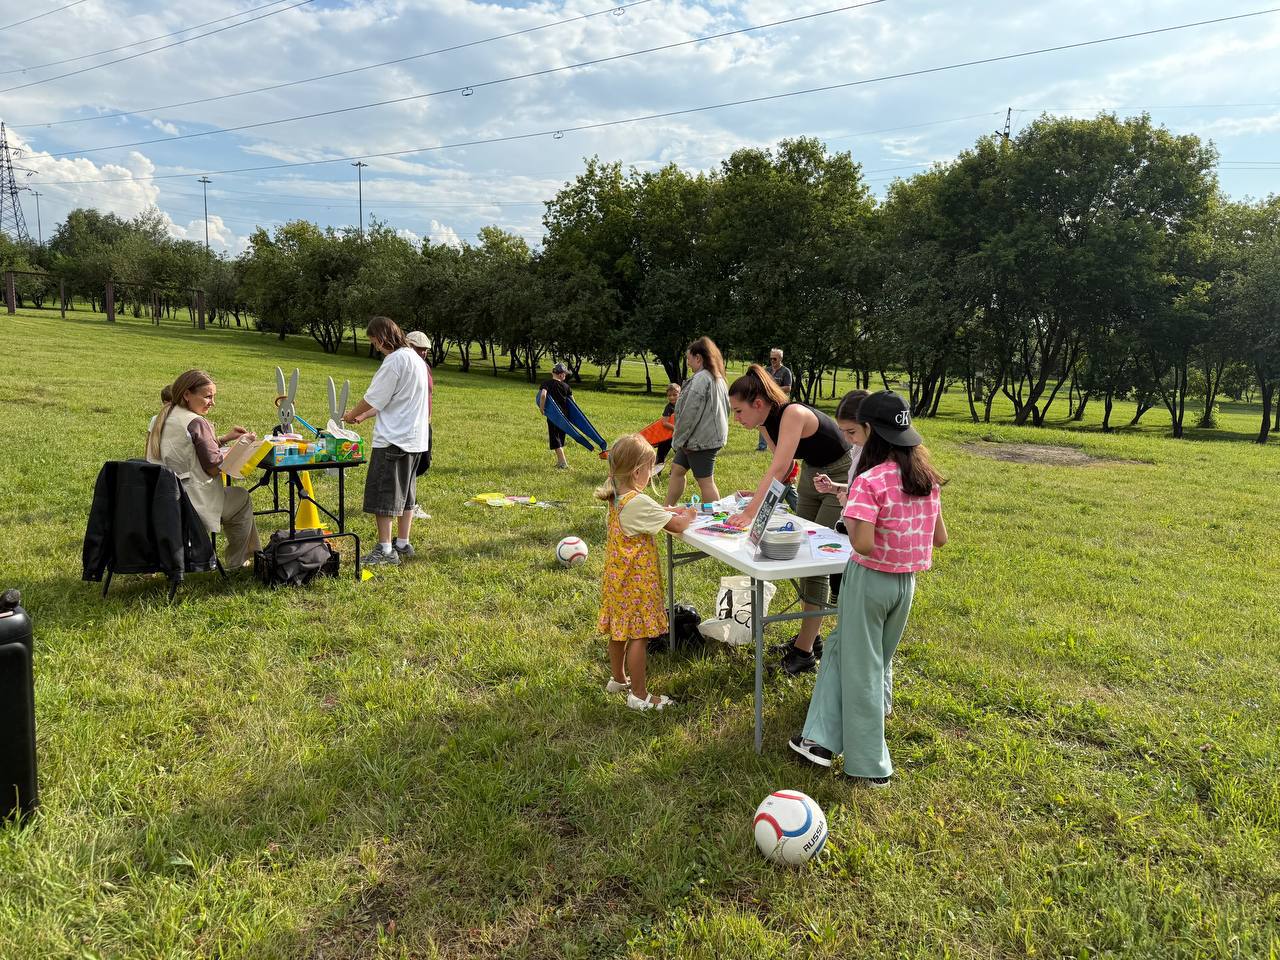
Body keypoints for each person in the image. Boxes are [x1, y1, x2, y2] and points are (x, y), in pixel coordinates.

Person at [787, 391, 948, 788]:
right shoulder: (926, 478)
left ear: (871, 431)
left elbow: (861, 543)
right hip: (905, 584)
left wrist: (856, 519)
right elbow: (939, 538)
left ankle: (869, 765)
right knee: (847, 651)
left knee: (862, 671)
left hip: (869, 580)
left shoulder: (870, 480)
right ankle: (819, 740)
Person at [724, 364, 852, 675]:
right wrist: (759, 503)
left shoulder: (792, 413)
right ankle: (811, 637)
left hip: (840, 478)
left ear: (758, 404)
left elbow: (780, 468)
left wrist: (751, 512)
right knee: (802, 555)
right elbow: (785, 468)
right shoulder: (765, 422)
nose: (737, 419)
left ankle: (804, 652)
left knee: (817, 562)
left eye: (739, 411)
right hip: (812, 476)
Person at [596, 434, 696, 711]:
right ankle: (639, 695)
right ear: (639, 470)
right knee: (639, 636)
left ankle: (618, 679)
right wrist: (687, 516)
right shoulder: (639, 503)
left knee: (619, 632)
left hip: (617, 582)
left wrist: (666, 510)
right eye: (651, 468)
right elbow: (676, 526)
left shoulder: (618, 497)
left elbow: (651, 513)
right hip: (636, 584)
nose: (652, 473)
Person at [145, 369, 261, 568]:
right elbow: (214, 468)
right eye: (208, 396)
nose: (212, 402)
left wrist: (223, 440)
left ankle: (246, 558)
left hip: (160, 500)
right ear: (187, 394)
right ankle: (239, 561)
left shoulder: (161, 417)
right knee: (241, 497)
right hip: (192, 502)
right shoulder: (196, 422)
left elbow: (187, 449)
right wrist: (241, 445)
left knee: (235, 496)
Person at [342, 316, 431, 567]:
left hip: (393, 441)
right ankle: (403, 543)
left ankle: (385, 550)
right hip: (414, 441)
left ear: (381, 338)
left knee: (385, 496)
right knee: (406, 496)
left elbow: (373, 398)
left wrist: (351, 414)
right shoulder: (415, 359)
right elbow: (394, 400)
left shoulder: (394, 362)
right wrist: (365, 416)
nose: (375, 347)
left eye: (374, 342)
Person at [812, 389, 870, 604]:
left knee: (851, 597)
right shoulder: (857, 449)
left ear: (869, 426)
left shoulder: (876, 457)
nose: (846, 438)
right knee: (840, 592)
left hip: (860, 531)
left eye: (851, 431)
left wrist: (849, 503)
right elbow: (856, 487)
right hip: (848, 525)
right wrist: (835, 487)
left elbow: (868, 496)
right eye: (842, 431)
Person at [664, 336, 729, 507]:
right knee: (677, 471)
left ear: (698, 358)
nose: (687, 363)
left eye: (688, 359)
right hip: (697, 439)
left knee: (705, 481)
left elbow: (688, 414)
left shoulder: (702, 378)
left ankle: (715, 520)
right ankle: (667, 510)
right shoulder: (718, 378)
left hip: (700, 441)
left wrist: (678, 440)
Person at [405, 331, 435, 517]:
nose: (423, 352)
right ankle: (409, 503)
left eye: (425, 349)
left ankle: (404, 497)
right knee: (411, 465)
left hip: (425, 422)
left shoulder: (425, 366)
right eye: (419, 348)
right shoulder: (407, 366)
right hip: (411, 422)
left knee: (423, 463)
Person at [538, 362, 574, 470]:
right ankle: (560, 462)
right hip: (565, 416)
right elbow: (573, 403)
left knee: (555, 439)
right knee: (560, 438)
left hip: (553, 416)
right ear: (561, 374)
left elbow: (543, 395)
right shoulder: (567, 386)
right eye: (565, 374)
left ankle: (563, 463)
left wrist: (542, 408)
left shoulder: (546, 383)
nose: (565, 376)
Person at [757, 348, 794, 451]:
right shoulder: (766, 370)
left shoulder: (786, 371)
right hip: (767, 401)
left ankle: (779, 446)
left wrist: (773, 389)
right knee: (763, 422)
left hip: (780, 402)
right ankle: (762, 446)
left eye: (775, 359)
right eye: (771, 359)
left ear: (780, 359)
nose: (772, 361)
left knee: (779, 424)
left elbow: (788, 388)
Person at [652, 382, 681, 475]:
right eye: (669, 395)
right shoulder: (669, 407)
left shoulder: (683, 405)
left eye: (674, 395)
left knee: (679, 457)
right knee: (661, 456)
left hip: (677, 437)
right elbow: (664, 423)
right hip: (666, 437)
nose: (672, 397)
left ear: (680, 394)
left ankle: (673, 473)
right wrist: (677, 429)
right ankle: (656, 474)